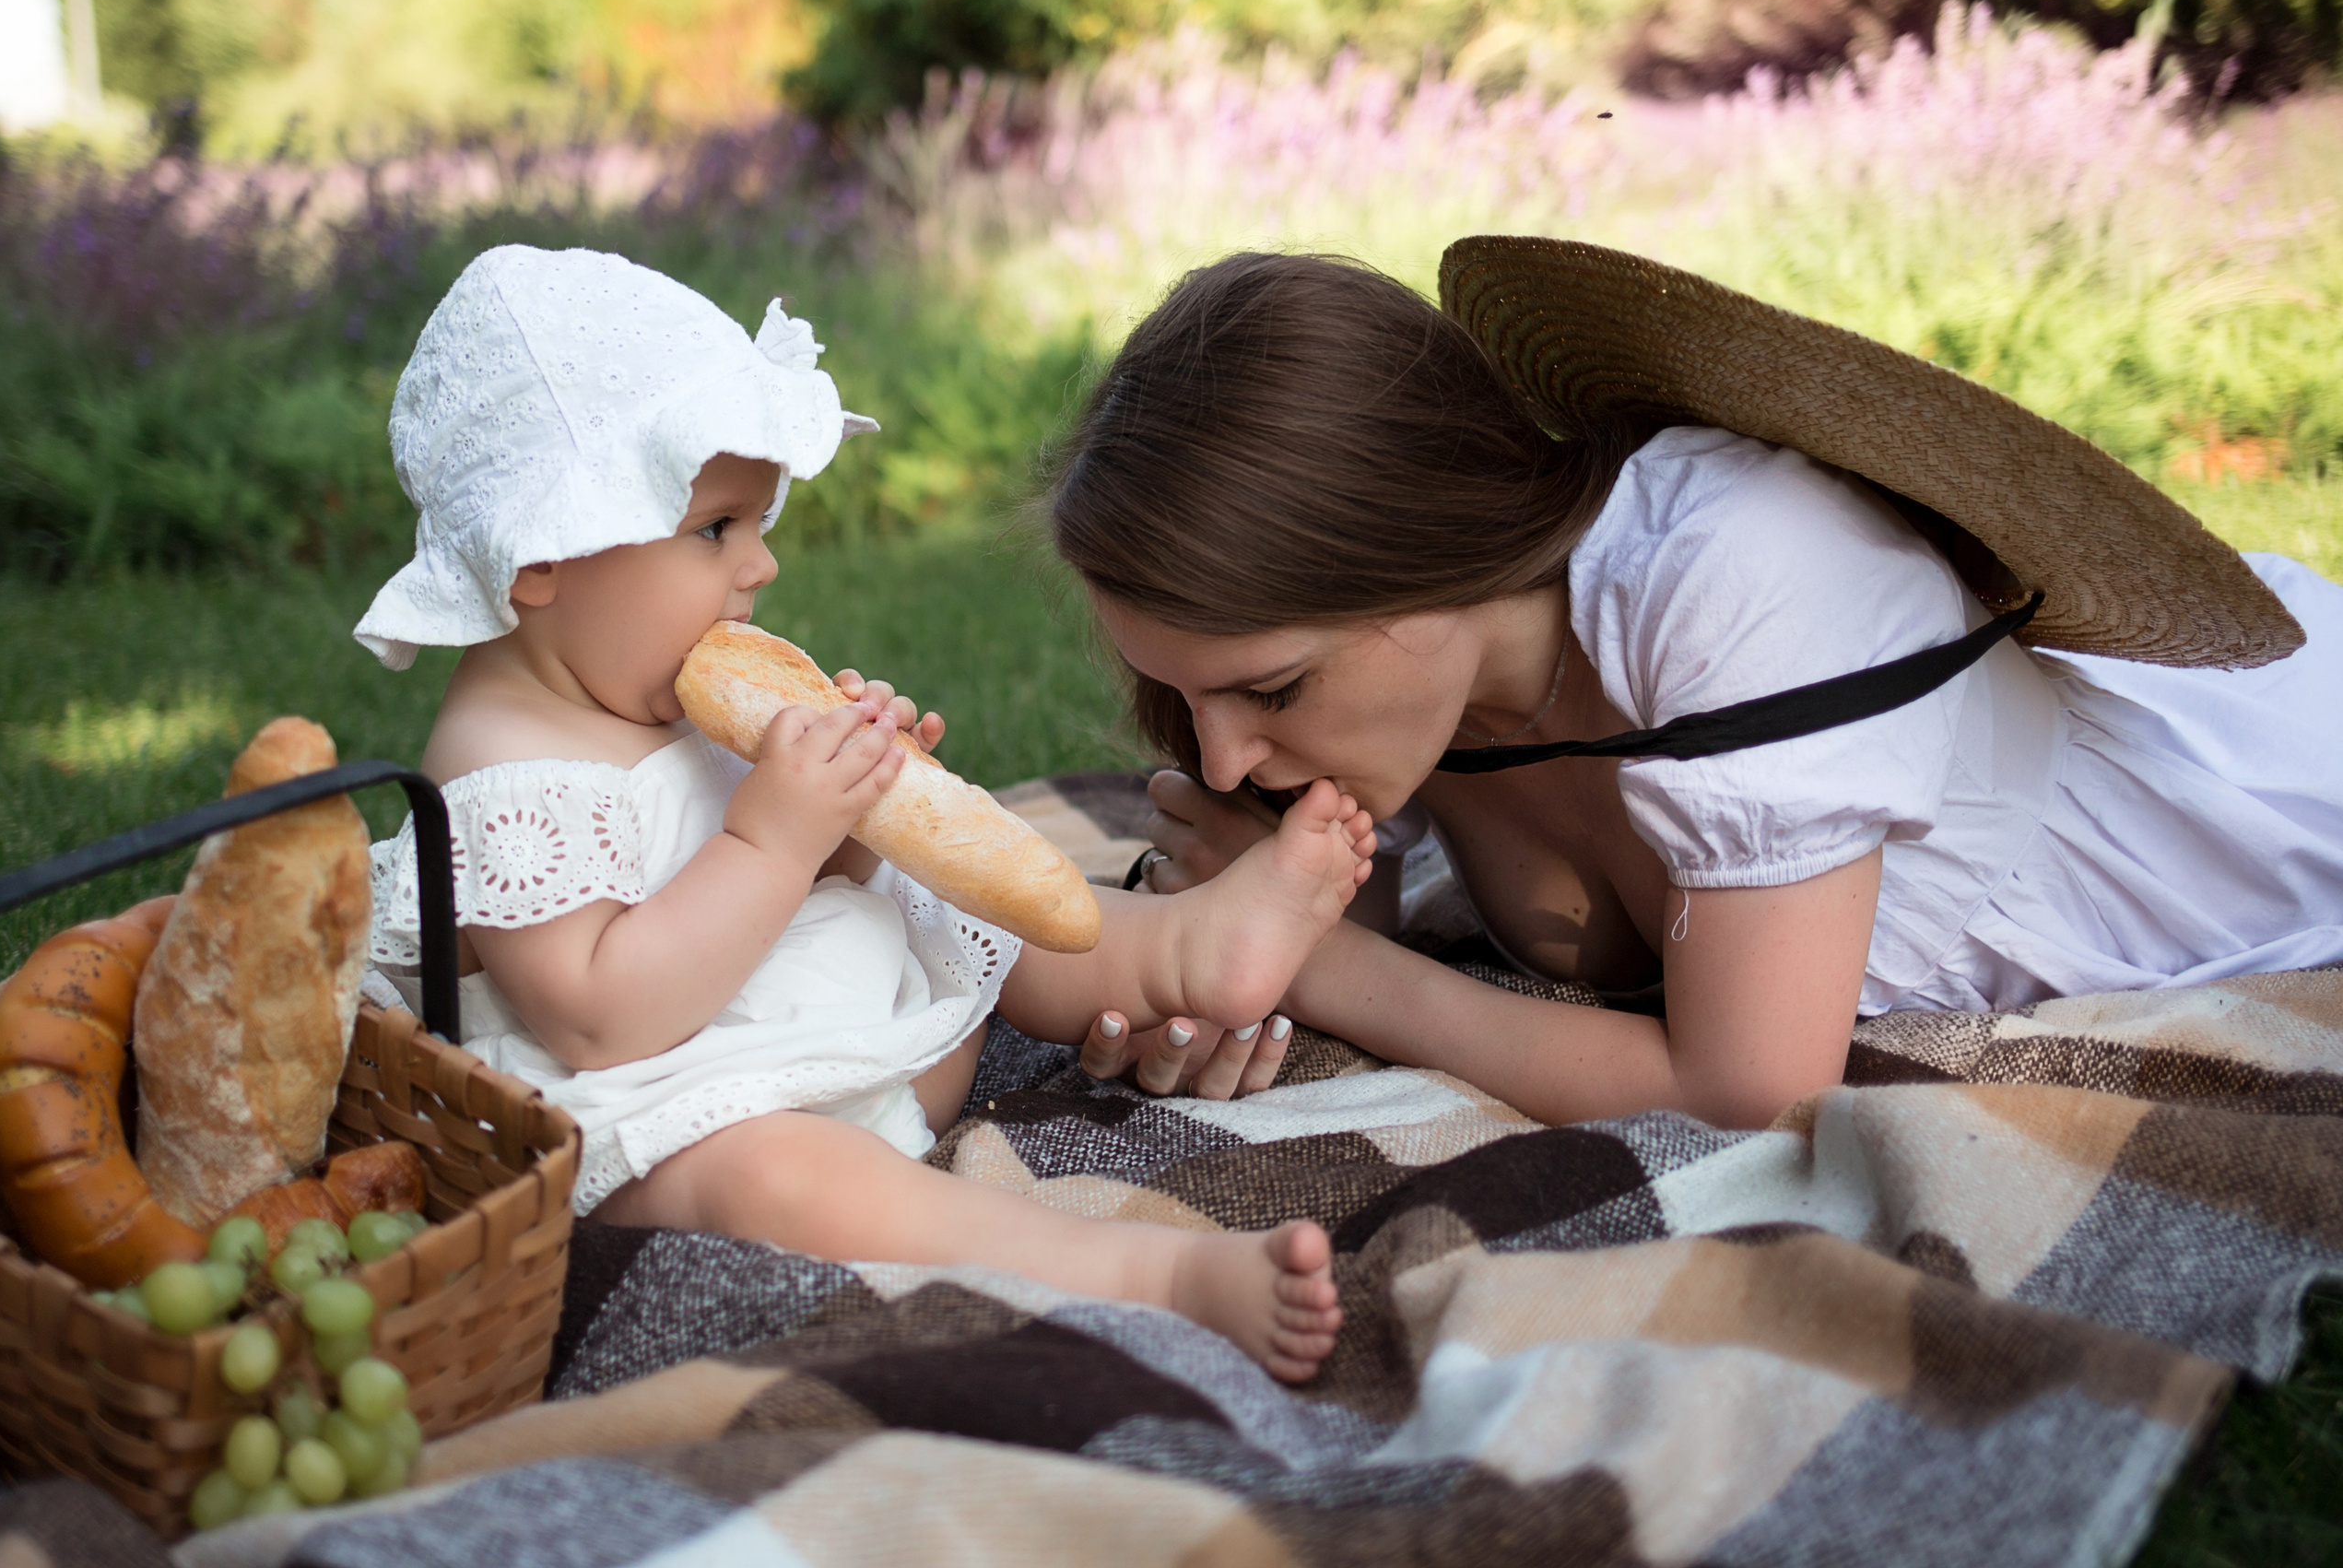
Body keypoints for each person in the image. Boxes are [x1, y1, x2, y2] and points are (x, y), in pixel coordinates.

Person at [350, 245, 1366, 1381]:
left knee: (959, 893)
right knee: (778, 1180)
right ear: (541, 557)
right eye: (714, 528)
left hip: (811, 1032)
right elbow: (602, 1018)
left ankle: (1184, 946)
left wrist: (854, 820)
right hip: (663, 1115)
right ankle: (1152, 1274)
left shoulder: (638, 677)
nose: (762, 562)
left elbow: (768, 887)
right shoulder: (497, 769)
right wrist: (773, 834)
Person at [1048, 241, 2343, 1129]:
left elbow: (1749, 1093)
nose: (1220, 762)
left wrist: (1320, 970)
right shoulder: (1398, 713)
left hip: (2266, 817)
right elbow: (1314, 928)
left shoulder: (1740, 572)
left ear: (1428, 556)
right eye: (1190, 696)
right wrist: (1204, 970)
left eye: (1268, 689)